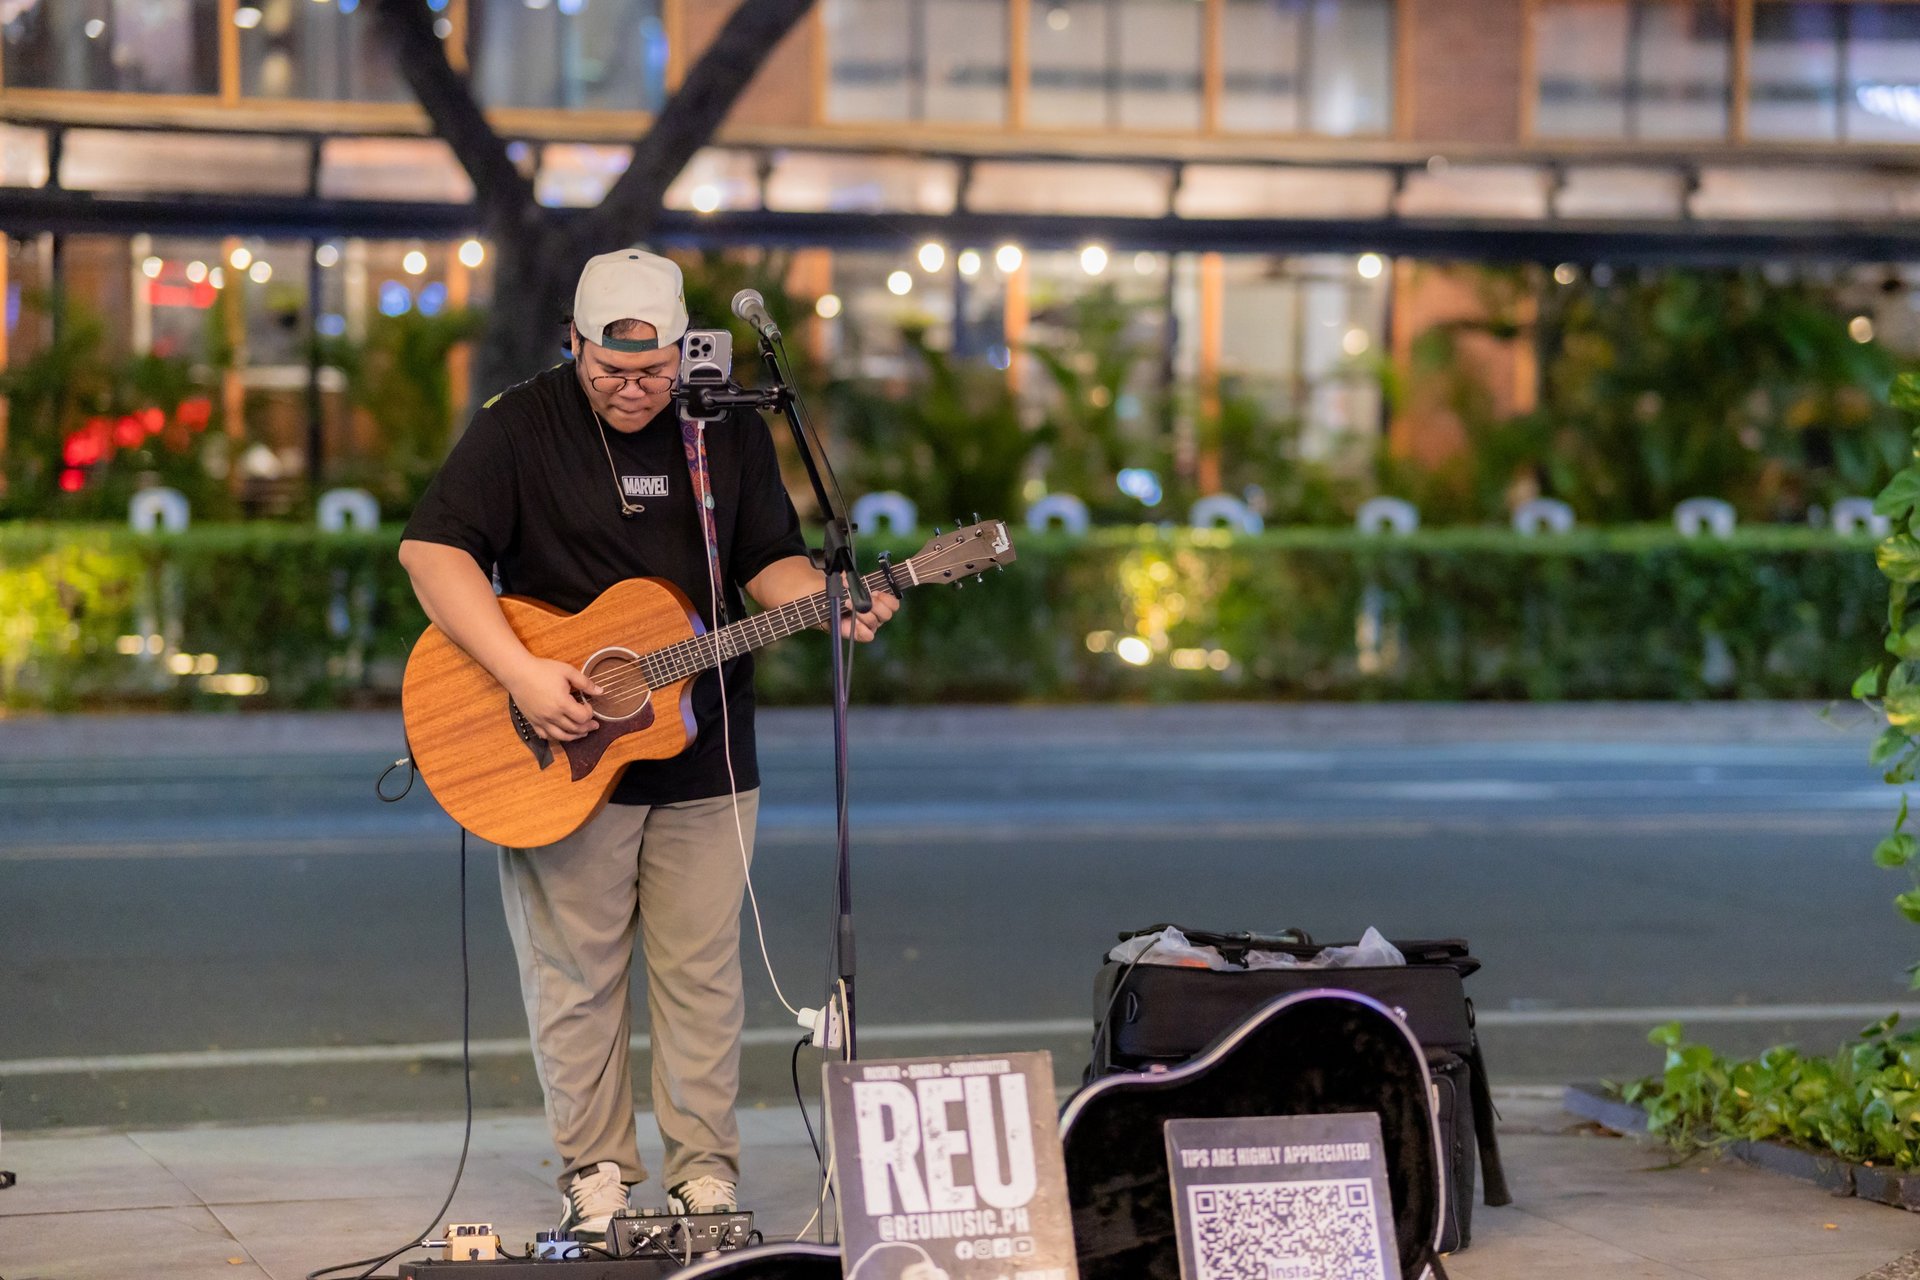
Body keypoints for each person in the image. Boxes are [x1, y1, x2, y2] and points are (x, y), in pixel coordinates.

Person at [398, 248, 897, 1240]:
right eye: (610, 371)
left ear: (683, 350)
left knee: (703, 975)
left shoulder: (723, 432)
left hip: (705, 750)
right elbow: (432, 550)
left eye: (655, 370)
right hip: (558, 750)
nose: (635, 390)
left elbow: (770, 562)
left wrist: (827, 604)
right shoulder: (521, 425)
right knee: (575, 979)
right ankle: (594, 1171)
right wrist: (523, 672)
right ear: (573, 343)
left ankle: (704, 1176)